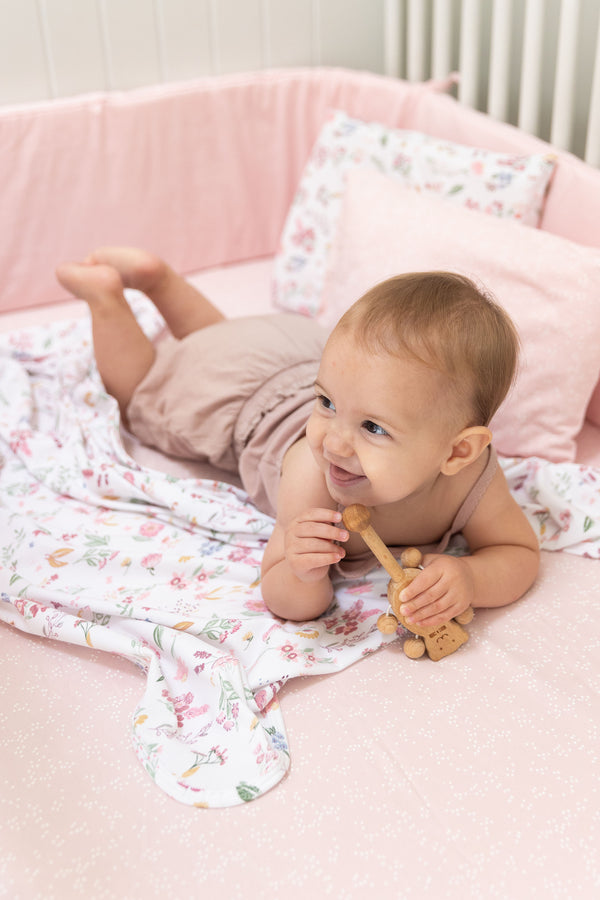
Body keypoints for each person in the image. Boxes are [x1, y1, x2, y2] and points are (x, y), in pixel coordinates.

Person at [56, 248, 540, 627]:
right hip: (242, 397)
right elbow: (280, 593)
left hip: (287, 351)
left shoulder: (473, 475)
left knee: (223, 341)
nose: (332, 443)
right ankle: (108, 297)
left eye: (373, 428)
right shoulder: (314, 480)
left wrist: (471, 577)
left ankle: (159, 279)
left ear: (458, 451)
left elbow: (517, 553)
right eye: (325, 404)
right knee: (144, 395)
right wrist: (301, 572)